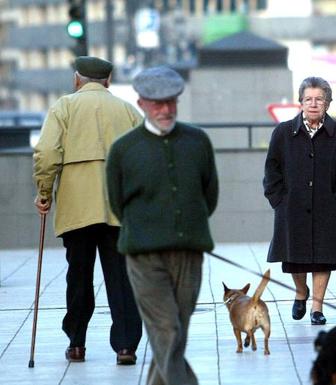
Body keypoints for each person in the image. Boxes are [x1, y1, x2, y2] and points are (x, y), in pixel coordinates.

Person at [106, 66, 218, 385]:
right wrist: (148, 231)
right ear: (141, 103)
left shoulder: (197, 142)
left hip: (189, 254)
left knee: (173, 333)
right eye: (157, 103)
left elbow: (209, 195)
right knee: (167, 329)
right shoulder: (123, 150)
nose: (165, 109)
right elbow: (116, 204)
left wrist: (183, 229)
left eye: (171, 101)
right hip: (144, 257)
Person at [33, 56, 142, 365]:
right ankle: (125, 347)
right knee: (120, 279)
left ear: (77, 80)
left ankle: (77, 343)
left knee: (78, 276)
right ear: (107, 81)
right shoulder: (127, 110)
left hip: (76, 208)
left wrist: (44, 193)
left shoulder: (63, 107)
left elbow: (46, 153)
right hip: (118, 210)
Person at [264, 76, 336, 325]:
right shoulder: (284, 132)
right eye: (308, 99)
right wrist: (279, 200)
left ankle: (317, 307)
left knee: (323, 257)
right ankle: (300, 292)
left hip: (329, 207)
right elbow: (271, 170)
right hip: (292, 206)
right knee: (295, 258)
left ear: (328, 103)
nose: (314, 104)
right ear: (300, 102)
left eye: (319, 99)